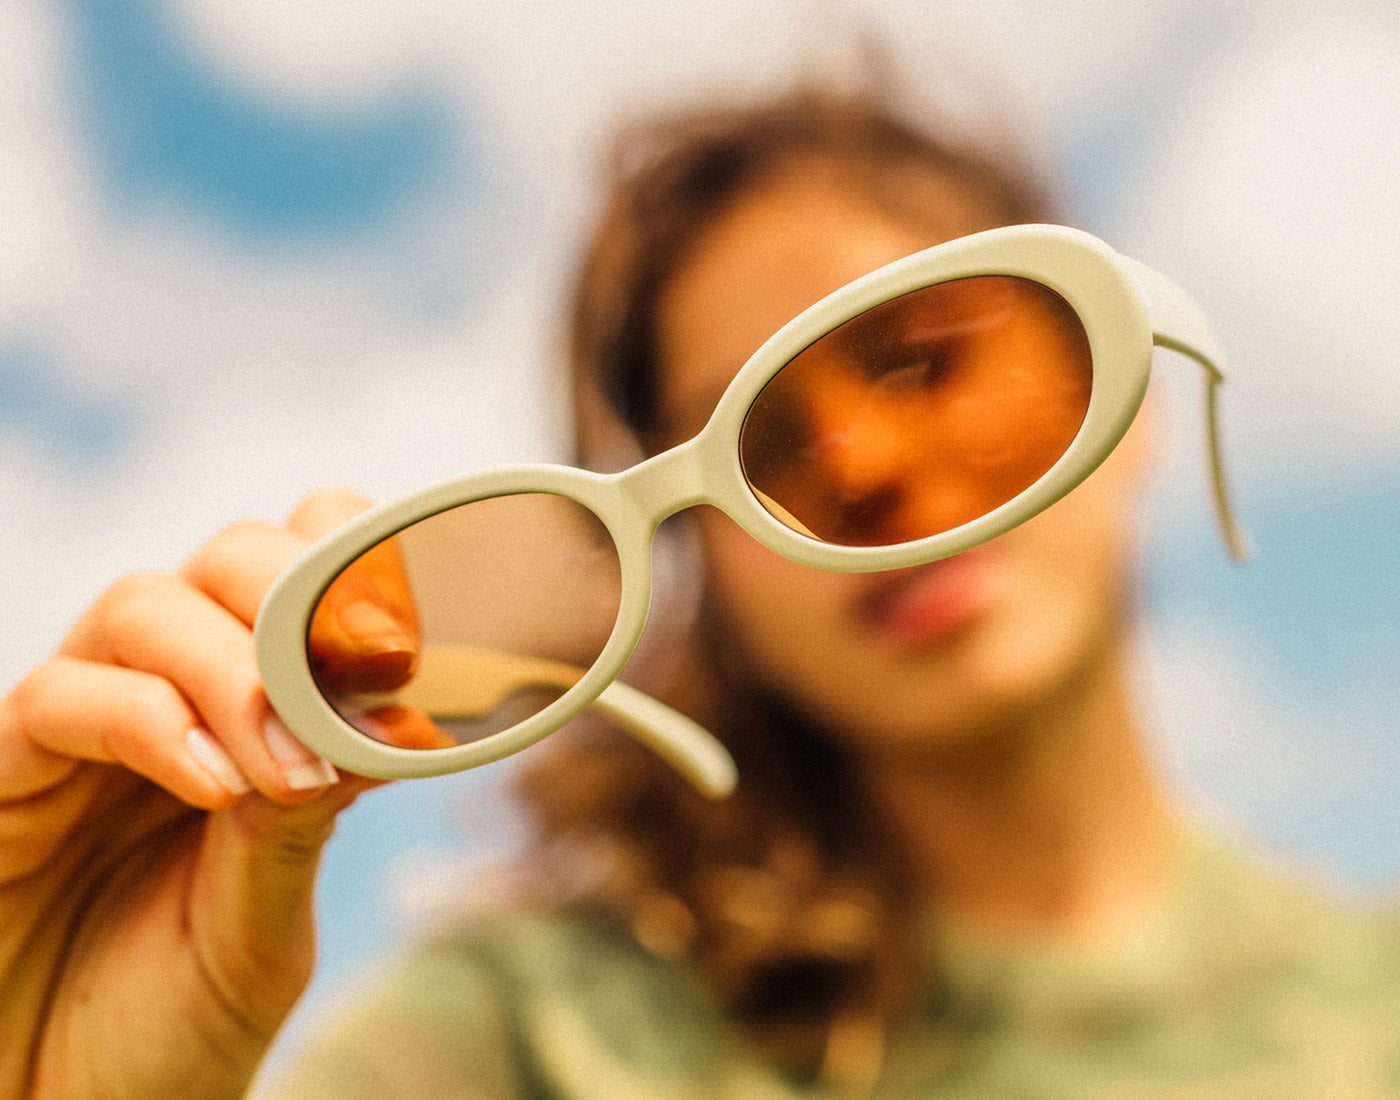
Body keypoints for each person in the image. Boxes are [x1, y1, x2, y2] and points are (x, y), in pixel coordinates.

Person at [4, 79, 1399, 1100]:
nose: (864, 466)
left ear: (1128, 388)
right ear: (704, 566)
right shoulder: (527, 1036)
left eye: (929, 356)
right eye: (765, 445)